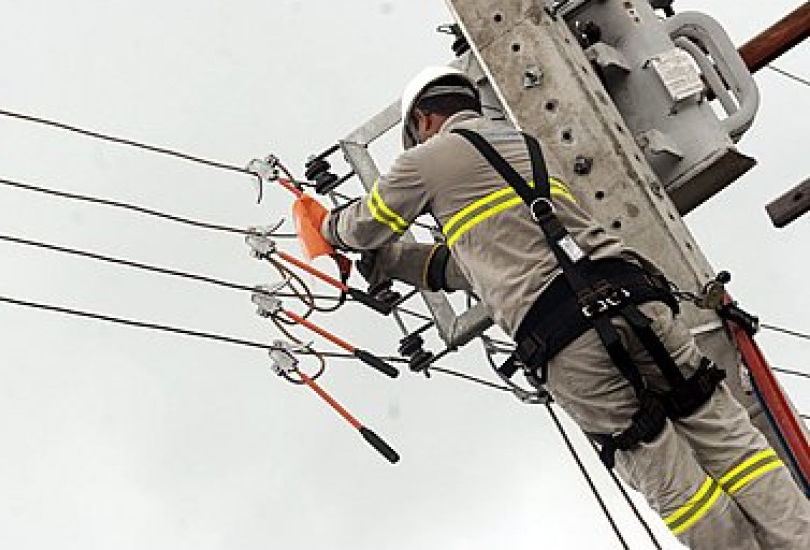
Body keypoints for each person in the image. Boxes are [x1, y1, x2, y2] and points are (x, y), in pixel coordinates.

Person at [319, 66, 810, 549]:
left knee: (662, 468)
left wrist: (325, 228)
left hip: (565, 336)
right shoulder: (526, 146)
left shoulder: (423, 162)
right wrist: (395, 264)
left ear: (424, 120)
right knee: (727, 437)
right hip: (633, 298)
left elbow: (363, 225)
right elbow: (478, 266)